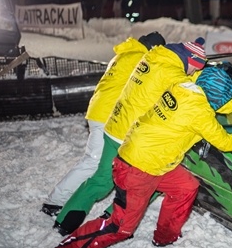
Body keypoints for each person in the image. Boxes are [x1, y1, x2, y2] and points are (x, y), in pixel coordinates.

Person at [48, 67, 232, 248]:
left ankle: (165, 237)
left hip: (154, 160)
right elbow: (224, 141)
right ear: (213, 98)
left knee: (186, 187)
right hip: (138, 168)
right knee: (120, 227)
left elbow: (212, 97)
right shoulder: (199, 112)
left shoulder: (184, 85)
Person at [53, 37, 218, 235]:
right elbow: (192, 91)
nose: (194, 72)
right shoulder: (171, 72)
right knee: (148, 183)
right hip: (130, 138)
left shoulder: (154, 57)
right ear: (190, 60)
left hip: (115, 127)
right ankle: (114, 223)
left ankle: (65, 221)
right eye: (195, 68)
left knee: (102, 180)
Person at [41, 31, 166, 217]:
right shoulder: (141, 59)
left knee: (112, 161)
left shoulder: (126, 54)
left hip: (102, 111)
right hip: (108, 115)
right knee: (93, 162)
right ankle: (55, 202)